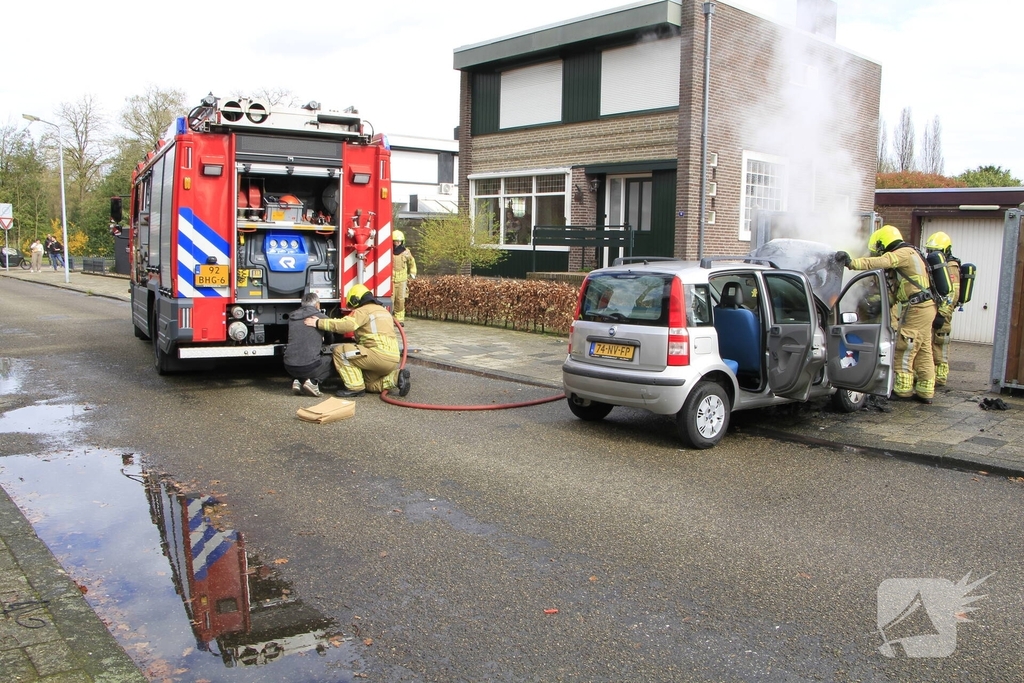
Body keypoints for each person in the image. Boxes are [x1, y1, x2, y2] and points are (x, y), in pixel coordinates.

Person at [836, 224, 937, 403]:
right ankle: (925, 391)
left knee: (905, 346)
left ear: (884, 243)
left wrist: (852, 263)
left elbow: (882, 262)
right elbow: (898, 291)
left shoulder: (903, 254)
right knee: (923, 350)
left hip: (918, 308)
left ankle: (903, 391)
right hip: (924, 306)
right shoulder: (910, 255)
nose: (880, 253)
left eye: (880, 249)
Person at [305, 283, 411, 398]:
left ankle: (355, 388)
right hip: (392, 359)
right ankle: (396, 377)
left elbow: (346, 325)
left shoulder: (363, 311)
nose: (352, 308)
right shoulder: (383, 311)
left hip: (378, 356)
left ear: (356, 300)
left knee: (341, 352)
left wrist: (318, 322)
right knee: (369, 384)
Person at [925, 231, 961, 388]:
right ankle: (932, 374)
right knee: (931, 344)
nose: (932, 254)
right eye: (930, 251)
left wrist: (942, 314)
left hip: (943, 314)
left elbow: (952, 294)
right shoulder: (939, 266)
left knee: (940, 344)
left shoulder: (951, 267)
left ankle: (940, 377)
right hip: (935, 310)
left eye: (936, 251)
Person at [283, 292, 333, 397]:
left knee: (304, 358)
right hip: (308, 367)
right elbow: (330, 340)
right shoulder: (321, 317)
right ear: (317, 305)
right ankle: (314, 382)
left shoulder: (292, 317)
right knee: (333, 359)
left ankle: (298, 381)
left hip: (289, 366)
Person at [391, 230, 417, 324]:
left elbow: (412, 262)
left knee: (400, 300)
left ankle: (399, 320)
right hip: (391, 279)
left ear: (402, 241)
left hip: (402, 279)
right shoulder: (389, 252)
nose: (397, 243)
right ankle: (389, 319)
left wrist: (413, 272)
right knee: (391, 300)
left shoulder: (406, 252)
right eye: (395, 241)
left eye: (399, 241)